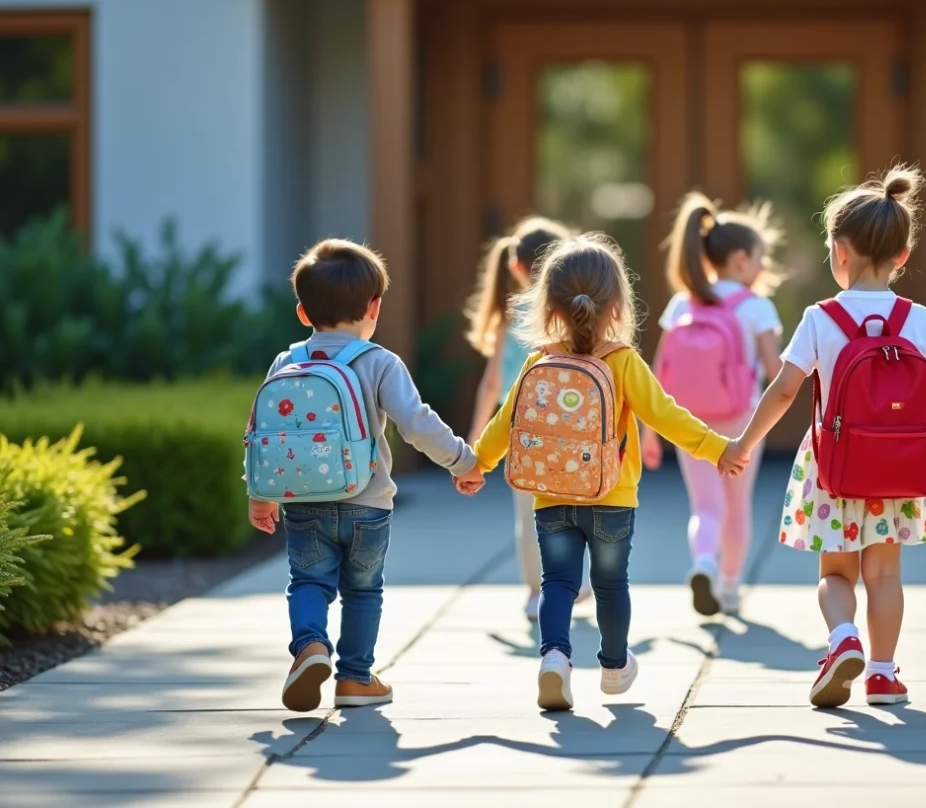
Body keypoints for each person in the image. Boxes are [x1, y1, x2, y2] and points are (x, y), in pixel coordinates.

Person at [463, 233, 749, 711]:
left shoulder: (539, 360)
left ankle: (555, 656)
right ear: (617, 304)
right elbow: (666, 415)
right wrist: (717, 448)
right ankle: (614, 667)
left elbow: (506, 423)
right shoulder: (621, 361)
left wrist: (477, 464)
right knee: (611, 585)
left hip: (552, 496)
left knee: (557, 583)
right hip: (612, 497)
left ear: (547, 306)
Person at [731, 165, 926, 708]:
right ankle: (882, 673)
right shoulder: (918, 319)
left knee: (836, 572)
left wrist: (742, 443)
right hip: (900, 469)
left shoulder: (821, 317)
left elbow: (785, 391)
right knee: (884, 573)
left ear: (839, 251)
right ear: (903, 255)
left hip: (835, 468)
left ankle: (842, 638)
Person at [248, 239, 484, 713]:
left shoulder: (285, 363)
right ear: (374, 307)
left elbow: (260, 432)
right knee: (363, 590)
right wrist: (462, 460)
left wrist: (260, 495)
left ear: (301, 312)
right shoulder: (379, 362)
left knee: (308, 582)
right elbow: (415, 422)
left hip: (302, 502)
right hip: (367, 502)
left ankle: (310, 646)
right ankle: (355, 678)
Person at [644, 192, 784, 616]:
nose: (763, 267)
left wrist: (650, 429)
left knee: (706, 505)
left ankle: (703, 562)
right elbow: (777, 371)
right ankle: (729, 586)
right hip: (741, 419)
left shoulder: (684, 302)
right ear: (740, 259)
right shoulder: (756, 307)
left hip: (689, 419)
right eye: (761, 258)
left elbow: (656, 369)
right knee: (736, 505)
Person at [464, 216, 591, 621]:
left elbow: (491, 385)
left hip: (523, 434)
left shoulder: (513, 315)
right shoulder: (571, 314)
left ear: (515, 266)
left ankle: (537, 592)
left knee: (529, 515)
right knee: (573, 509)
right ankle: (577, 579)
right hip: (570, 430)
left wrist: (474, 441)